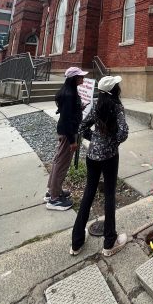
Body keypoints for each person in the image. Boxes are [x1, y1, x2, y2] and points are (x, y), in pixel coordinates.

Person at [70, 75, 129, 257]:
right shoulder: (117, 107)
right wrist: (112, 142)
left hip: (92, 156)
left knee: (89, 192)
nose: (119, 87)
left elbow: (82, 127)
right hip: (110, 157)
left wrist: (94, 139)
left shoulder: (97, 104)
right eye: (117, 86)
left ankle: (76, 242)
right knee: (109, 195)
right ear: (113, 90)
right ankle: (109, 243)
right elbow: (124, 132)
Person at [46, 66, 88, 211]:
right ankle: (54, 199)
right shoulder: (70, 95)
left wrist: (79, 109)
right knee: (62, 164)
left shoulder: (68, 92)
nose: (83, 78)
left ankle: (52, 190)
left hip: (65, 132)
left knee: (58, 161)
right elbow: (66, 119)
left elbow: (67, 113)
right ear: (73, 78)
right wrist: (72, 141)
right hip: (68, 133)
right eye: (80, 76)